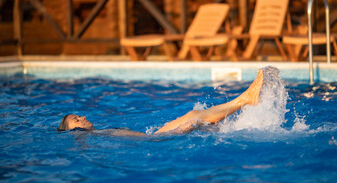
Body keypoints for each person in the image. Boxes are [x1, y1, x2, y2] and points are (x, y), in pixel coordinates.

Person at [58, 69, 264, 136]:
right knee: (193, 116)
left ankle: (244, 112)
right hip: (155, 140)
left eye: (79, 115)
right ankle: (246, 99)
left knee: (200, 120)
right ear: (73, 132)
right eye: (77, 120)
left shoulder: (98, 134)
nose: (83, 117)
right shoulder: (88, 138)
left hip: (153, 138)